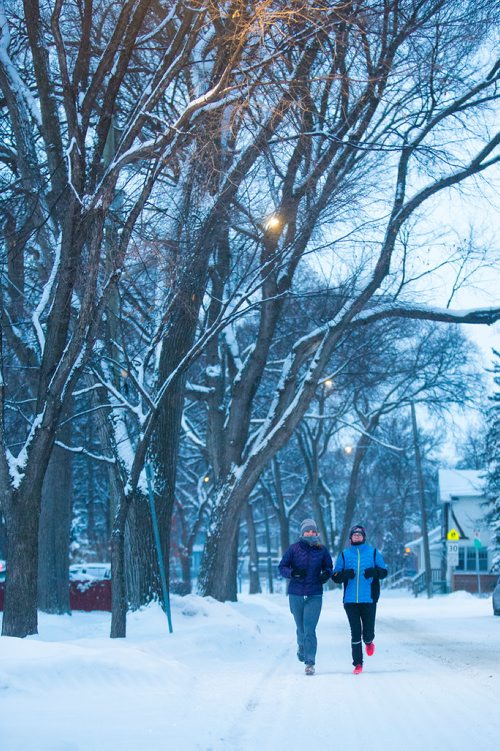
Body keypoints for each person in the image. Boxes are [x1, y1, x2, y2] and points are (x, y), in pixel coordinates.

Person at [278, 518, 333, 675]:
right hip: (296, 593)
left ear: (316, 533)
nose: (310, 533)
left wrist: (326, 575)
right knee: (301, 628)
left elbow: (328, 566)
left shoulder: (322, 549)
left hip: (314, 593)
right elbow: (281, 567)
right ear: (302, 533)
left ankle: (310, 663)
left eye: (312, 531)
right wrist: (293, 573)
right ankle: (301, 647)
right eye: (307, 531)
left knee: (309, 628)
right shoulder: (294, 549)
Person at [332, 524, 388, 675]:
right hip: (350, 600)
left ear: (364, 537)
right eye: (354, 534)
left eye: (359, 534)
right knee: (355, 632)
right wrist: (345, 575)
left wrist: (373, 572)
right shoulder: (344, 554)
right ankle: (358, 663)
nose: (357, 536)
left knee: (367, 632)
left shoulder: (373, 553)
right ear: (350, 538)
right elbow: (335, 576)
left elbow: (384, 572)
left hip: (369, 599)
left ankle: (369, 642)